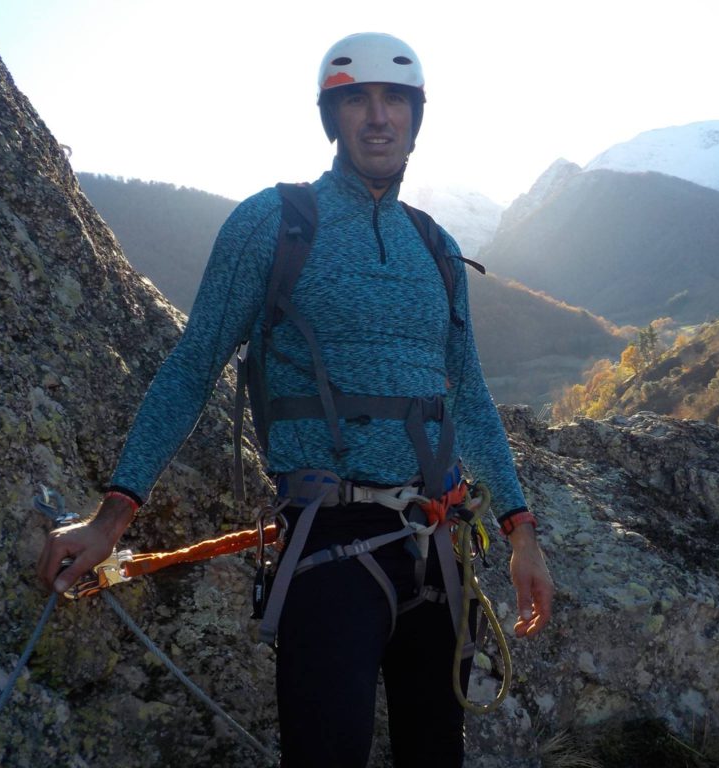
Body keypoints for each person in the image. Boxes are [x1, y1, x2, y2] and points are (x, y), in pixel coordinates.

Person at [37, 31, 554, 768]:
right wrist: (114, 515)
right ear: (333, 118)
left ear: (416, 117)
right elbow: (195, 365)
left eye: (395, 101)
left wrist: (521, 534)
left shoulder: (436, 249)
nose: (378, 118)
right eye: (357, 100)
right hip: (328, 540)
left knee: (436, 754)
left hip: (435, 546)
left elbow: (467, 394)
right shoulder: (275, 224)